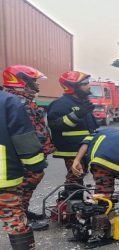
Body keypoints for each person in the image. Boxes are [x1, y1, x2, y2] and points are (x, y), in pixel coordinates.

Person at [2, 65, 54, 231]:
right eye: (34, 81)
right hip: (23, 158)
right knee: (22, 188)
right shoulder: (16, 102)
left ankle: (24, 211)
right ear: (22, 81)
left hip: (29, 156)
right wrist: (35, 161)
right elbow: (24, 135)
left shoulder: (22, 101)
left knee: (26, 188)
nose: (37, 85)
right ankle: (22, 217)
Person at [0, 88, 47, 249]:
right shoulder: (8, 101)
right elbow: (24, 140)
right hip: (4, 176)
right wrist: (37, 167)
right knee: (14, 218)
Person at [47, 71, 98, 192]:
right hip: (72, 149)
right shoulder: (60, 104)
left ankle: (74, 204)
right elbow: (55, 125)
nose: (89, 86)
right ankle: (68, 206)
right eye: (84, 84)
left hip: (84, 147)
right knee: (75, 177)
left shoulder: (82, 102)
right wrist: (77, 115)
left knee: (79, 176)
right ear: (72, 87)